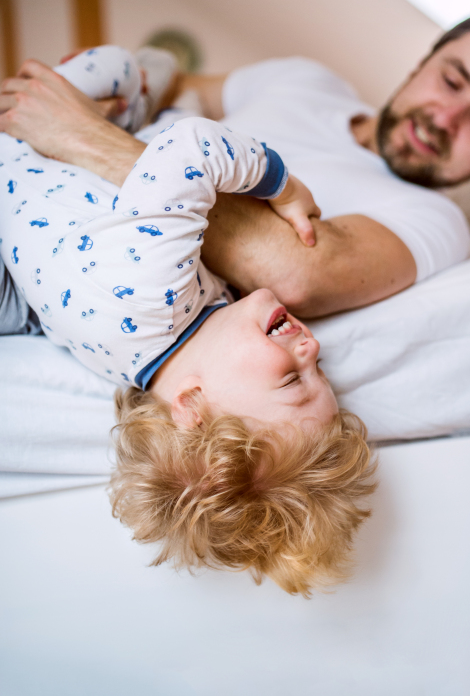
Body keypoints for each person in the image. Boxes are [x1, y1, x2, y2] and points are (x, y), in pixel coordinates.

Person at [0, 46, 376, 597]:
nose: (313, 351)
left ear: (193, 406)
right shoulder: (138, 361)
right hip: (54, 197)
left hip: (21, 149)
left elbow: (191, 148)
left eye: (293, 379)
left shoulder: (154, 296)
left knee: (126, 74)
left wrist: (281, 184)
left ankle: (157, 68)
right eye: (321, 374)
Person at [0, 8, 470, 323]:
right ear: (420, 64)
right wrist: (116, 93)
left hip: (60, 249)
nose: (445, 117)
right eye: (452, 79)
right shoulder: (306, 80)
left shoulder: (432, 221)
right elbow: (173, 81)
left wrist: (82, 135)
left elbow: (293, 273)